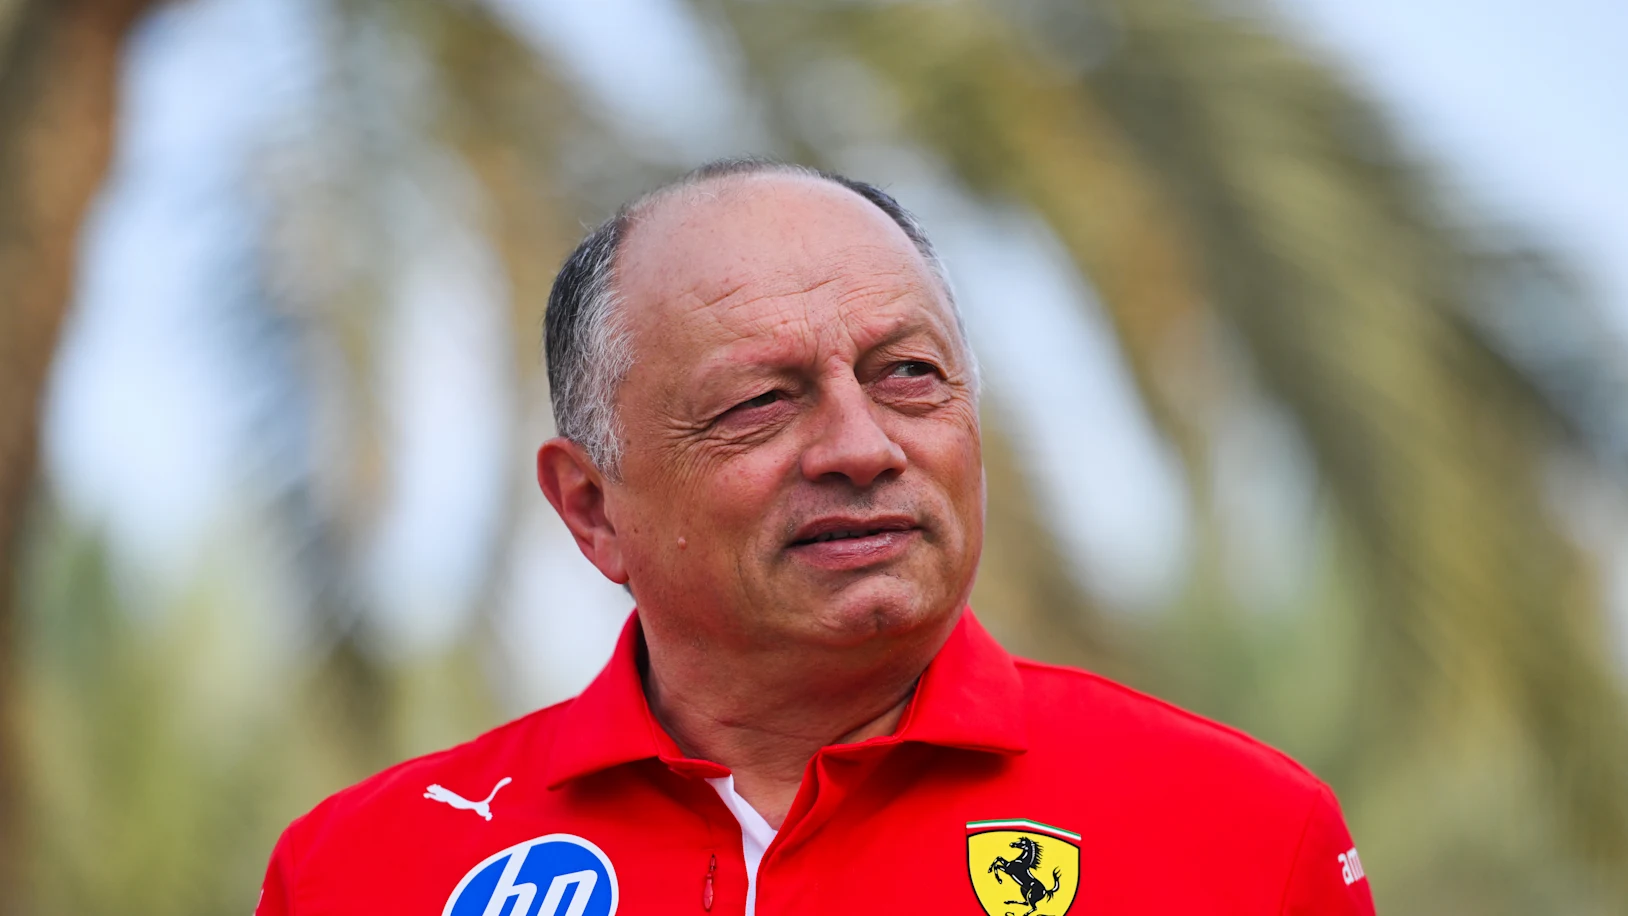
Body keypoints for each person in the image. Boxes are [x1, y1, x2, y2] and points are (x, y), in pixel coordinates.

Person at [254, 159, 1377, 916]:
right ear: (592, 509)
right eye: (760, 401)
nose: (859, 445)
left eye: (908, 376)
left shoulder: (1240, 834)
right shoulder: (364, 870)